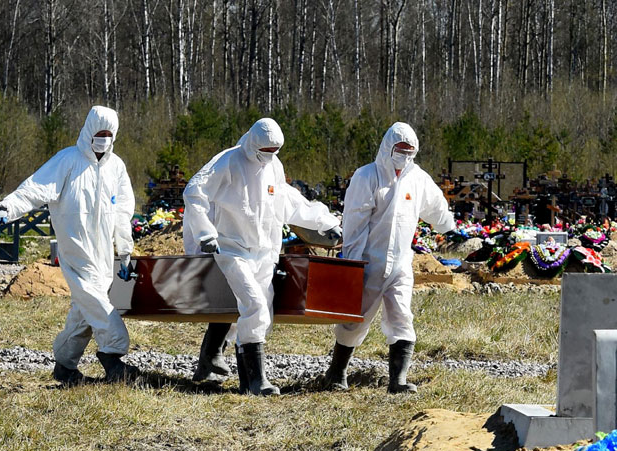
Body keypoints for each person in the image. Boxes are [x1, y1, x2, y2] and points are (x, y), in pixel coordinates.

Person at [182, 118, 341, 396]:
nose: (268, 156)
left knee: (261, 313)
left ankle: (244, 379)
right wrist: (204, 232)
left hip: (265, 253)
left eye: (274, 151)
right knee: (254, 305)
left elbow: (291, 202)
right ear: (253, 142)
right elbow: (195, 192)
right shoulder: (228, 162)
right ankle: (257, 381)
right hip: (232, 250)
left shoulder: (273, 167)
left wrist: (325, 222)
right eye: (265, 150)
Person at [0, 105, 137, 385]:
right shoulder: (68, 160)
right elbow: (35, 188)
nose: (104, 138)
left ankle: (65, 365)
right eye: (100, 132)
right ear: (88, 131)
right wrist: (6, 208)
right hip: (74, 248)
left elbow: (123, 212)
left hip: (103, 252)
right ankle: (114, 356)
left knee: (85, 309)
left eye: (109, 133)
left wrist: (125, 251)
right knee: (96, 299)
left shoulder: (116, 167)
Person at [323, 122, 454, 394]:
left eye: (409, 152)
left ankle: (398, 381)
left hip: (400, 265)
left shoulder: (417, 178)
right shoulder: (367, 177)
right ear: (388, 148)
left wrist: (450, 229)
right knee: (355, 319)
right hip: (369, 263)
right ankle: (337, 372)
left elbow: (437, 207)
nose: (404, 156)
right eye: (400, 150)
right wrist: (353, 265)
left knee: (402, 317)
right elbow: (355, 223)